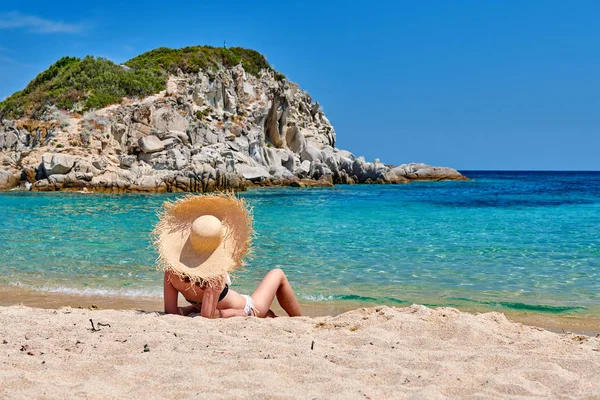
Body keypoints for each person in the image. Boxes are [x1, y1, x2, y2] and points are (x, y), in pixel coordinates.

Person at [154, 194, 302, 318]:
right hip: (249, 308)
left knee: (269, 313)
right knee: (278, 273)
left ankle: (281, 317)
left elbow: (171, 312)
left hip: (221, 306)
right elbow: (208, 316)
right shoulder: (214, 274)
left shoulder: (171, 272)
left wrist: (191, 309)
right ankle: (299, 319)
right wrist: (239, 312)